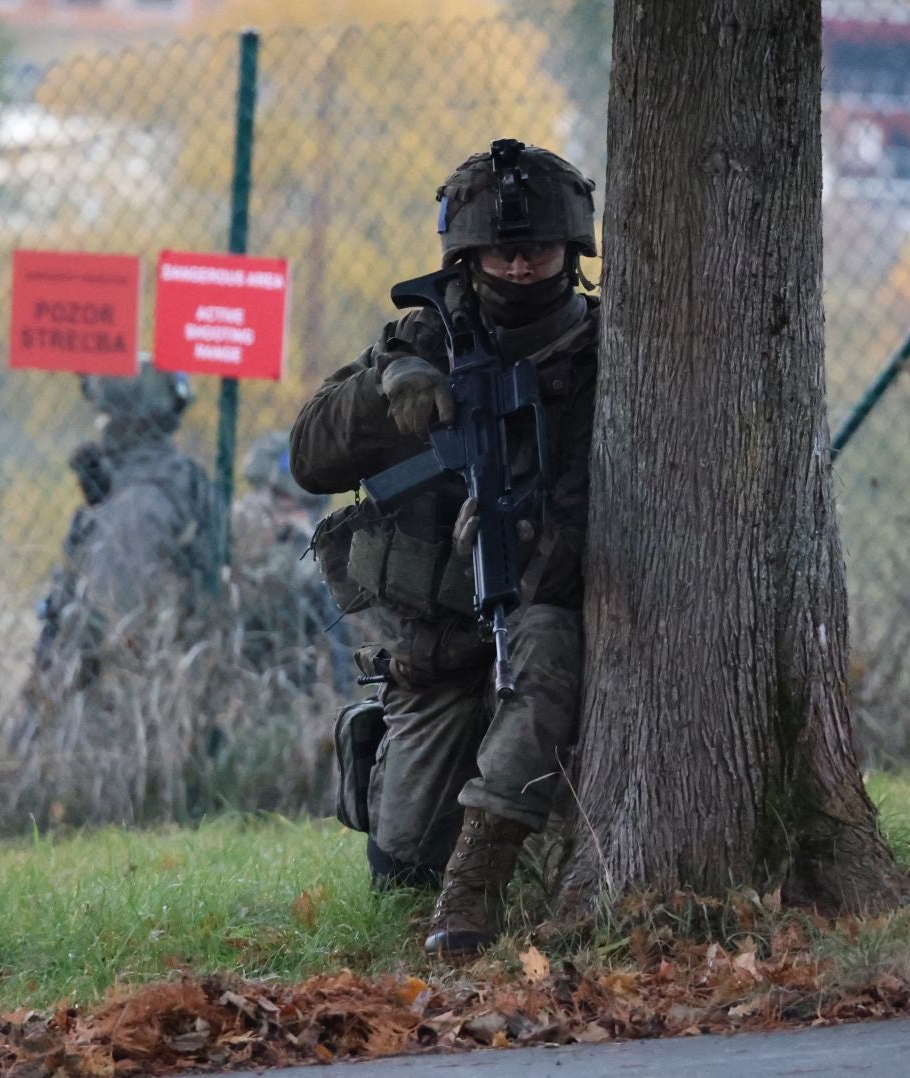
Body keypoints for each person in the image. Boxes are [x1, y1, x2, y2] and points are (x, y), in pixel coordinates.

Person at [289, 139, 599, 958]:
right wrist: (383, 393)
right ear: (467, 255)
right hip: (433, 653)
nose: (524, 266)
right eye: (504, 251)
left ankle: (474, 895)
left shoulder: (602, 355)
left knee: (543, 646)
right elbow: (309, 458)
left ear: (574, 250)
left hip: (548, 632)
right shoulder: (423, 340)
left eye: (540, 249)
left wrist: (545, 543)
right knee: (401, 867)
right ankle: (436, 854)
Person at [25, 366, 220, 696]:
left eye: (103, 415)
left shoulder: (138, 507)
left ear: (124, 422)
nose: (99, 427)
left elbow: (110, 626)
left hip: (114, 707)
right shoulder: (165, 478)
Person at [227, 431, 340, 684]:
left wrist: (303, 534)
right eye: (283, 499)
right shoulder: (245, 519)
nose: (294, 509)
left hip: (300, 657)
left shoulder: (310, 536)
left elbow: (317, 581)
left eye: (303, 504)